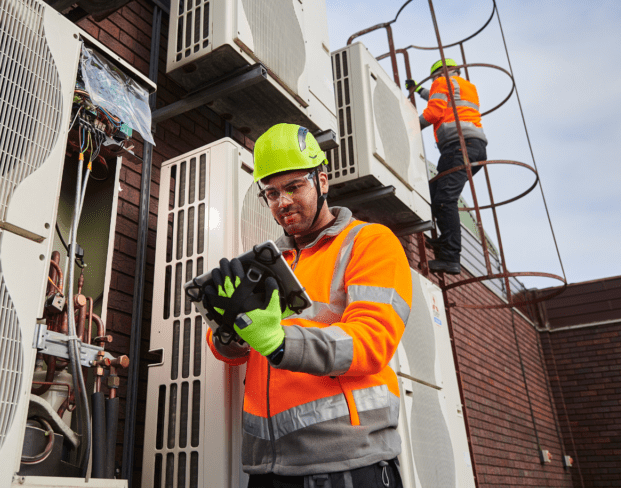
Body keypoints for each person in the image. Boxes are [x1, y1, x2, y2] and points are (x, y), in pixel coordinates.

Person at [202, 123, 411, 488]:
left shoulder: (368, 242)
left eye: (293, 186)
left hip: (347, 462)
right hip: (267, 467)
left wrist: (279, 343)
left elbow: (372, 341)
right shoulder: (269, 261)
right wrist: (229, 334)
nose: (281, 202)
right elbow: (238, 354)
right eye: (270, 193)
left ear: (323, 181)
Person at [405, 58, 488, 275]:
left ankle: (450, 257)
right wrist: (418, 90)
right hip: (474, 146)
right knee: (434, 195)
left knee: (444, 198)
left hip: (459, 146)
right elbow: (442, 99)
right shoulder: (465, 85)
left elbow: (433, 112)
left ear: (439, 74)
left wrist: (408, 126)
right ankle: (444, 243)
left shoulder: (441, 82)